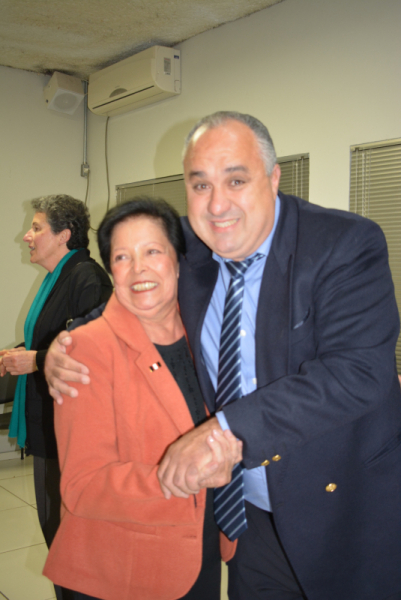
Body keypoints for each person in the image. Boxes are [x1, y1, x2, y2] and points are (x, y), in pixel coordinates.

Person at [44, 114, 401, 600]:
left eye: (236, 180)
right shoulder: (193, 244)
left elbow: (357, 372)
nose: (217, 204)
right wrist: (71, 340)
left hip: (342, 512)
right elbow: (139, 279)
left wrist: (226, 430)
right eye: (200, 185)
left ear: (273, 178)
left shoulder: (342, 243)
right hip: (245, 521)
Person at [43, 198, 239, 600]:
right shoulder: (86, 349)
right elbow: (82, 485)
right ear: (111, 270)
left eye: (152, 251)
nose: (138, 269)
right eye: (122, 257)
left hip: (200, 548)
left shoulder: (207, 333)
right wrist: (183, 477)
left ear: (178, 261)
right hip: (126, 567)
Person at [0, 194, 112, 600]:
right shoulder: (56, 277)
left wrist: (34, 360)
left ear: (64, 235)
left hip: (72, 433)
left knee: (69, 539)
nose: (26, 236)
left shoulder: (88, 280)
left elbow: (100, 356)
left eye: (36, 228)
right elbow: (55, 339)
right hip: (48, 424)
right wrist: (19, 354)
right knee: (56, 533)